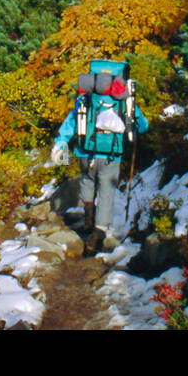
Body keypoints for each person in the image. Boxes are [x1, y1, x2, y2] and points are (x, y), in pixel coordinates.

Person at [49, 67, 149, 255]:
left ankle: (88, 219)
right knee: (106, 192)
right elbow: (143, 126)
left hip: (86, 152)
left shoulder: (86, 98)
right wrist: (137, 127)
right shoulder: (124, 101)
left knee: (87, 181)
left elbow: (72, 121)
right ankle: (98, 233)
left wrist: (61, 142)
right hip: (112, 155)